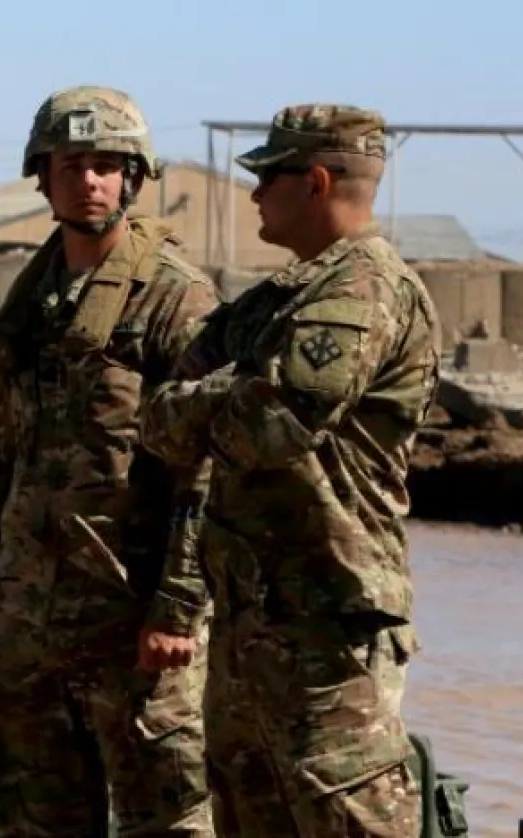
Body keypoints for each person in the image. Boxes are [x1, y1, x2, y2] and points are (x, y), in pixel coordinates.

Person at [139, 104, 442, 838]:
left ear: (313, 180)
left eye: (266, 177)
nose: (252, 195)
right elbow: (157, 422)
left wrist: (220, 396)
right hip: (251, 626)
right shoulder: (276, 302)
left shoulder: (364, 289)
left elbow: (269, 425)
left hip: (328, 628)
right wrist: (233, 388)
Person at [0, 85, 218, 837]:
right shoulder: (34, 306)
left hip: (131, 629)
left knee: (166, 823)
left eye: (108, 165)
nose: (90, 181)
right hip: (29, 627)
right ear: (43, 175)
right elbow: (3, 460)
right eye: (73, 165)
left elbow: (204, 473)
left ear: (133, 177)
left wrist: (176, 609)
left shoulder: (174, 301)